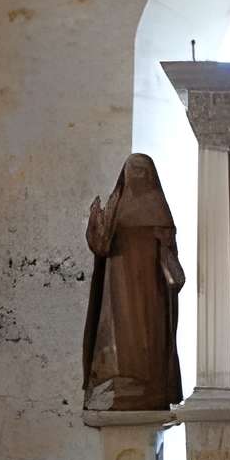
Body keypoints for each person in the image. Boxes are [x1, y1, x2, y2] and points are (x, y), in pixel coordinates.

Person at [83, 152, 184, 412]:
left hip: (150, 288)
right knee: (119, 329)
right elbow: (101, 245)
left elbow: (167, 251)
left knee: (148, 331)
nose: (137, 175)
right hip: (117, 284)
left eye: (142, 170)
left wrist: (172, 272)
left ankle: (150, 383)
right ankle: (119, 378)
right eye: (133, 170)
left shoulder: (158, 209)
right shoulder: (116, 204)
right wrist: (96, 219)